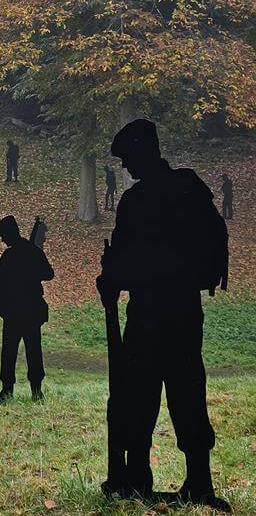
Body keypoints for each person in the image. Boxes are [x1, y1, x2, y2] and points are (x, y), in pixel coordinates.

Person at [96, 119, 230, 508]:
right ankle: (199, 482)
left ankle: (136, 478)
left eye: (127, 158)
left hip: (148, 314)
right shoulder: (191, 190)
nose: (125, 168)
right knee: (188, 390)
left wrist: (110, 281)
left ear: (143, 152)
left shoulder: (136, 202)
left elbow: (123, 261)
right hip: (186, 312)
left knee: (138, 395)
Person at [0, 215, 54, 405]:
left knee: (9, 353)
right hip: (31, 310)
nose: (3, 242)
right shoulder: (33, 251)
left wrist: (3, 311)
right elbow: (48, 273)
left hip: (14, 312)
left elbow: (1, 288)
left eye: (3, 238)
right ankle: (36, 391)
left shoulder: (9, 257)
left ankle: (7, 391)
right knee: (34, 350)